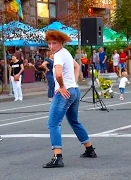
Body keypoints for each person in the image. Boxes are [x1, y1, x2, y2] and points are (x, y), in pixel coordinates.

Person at [43, 30, 97, 168]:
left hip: (64, 93)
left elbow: (59, 74)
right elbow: (76, 66)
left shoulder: (58, 56)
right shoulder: (65, 52)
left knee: (53, 123)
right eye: (49, 43)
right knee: (74, 121)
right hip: (74, 90)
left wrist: (62, 86)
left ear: (61, 42)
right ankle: (89, 149)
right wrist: (72, 82)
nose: (51, 46)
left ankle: (57, 157)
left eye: (54, 43)